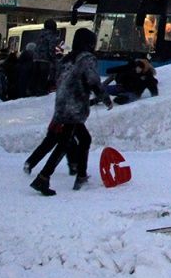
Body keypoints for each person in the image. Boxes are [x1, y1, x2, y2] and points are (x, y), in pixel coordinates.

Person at [28, 28, 113, 196]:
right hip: (75, 107)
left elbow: (57, 81)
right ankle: (44, 177)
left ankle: (80, 175)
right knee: (64, 144)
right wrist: (105, 99)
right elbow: (93, 81)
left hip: (62, 105)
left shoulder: (66, 59)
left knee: (83, 139)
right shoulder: (87, 59)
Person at [32, 19, 59, 96]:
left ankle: (34, 90)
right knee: (43, 76)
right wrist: (54, 59)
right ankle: (41, 91)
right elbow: (51, 48)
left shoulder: (41, 34)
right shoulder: (51, 35)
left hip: (36, 58)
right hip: (45, 59)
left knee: (37, 75)